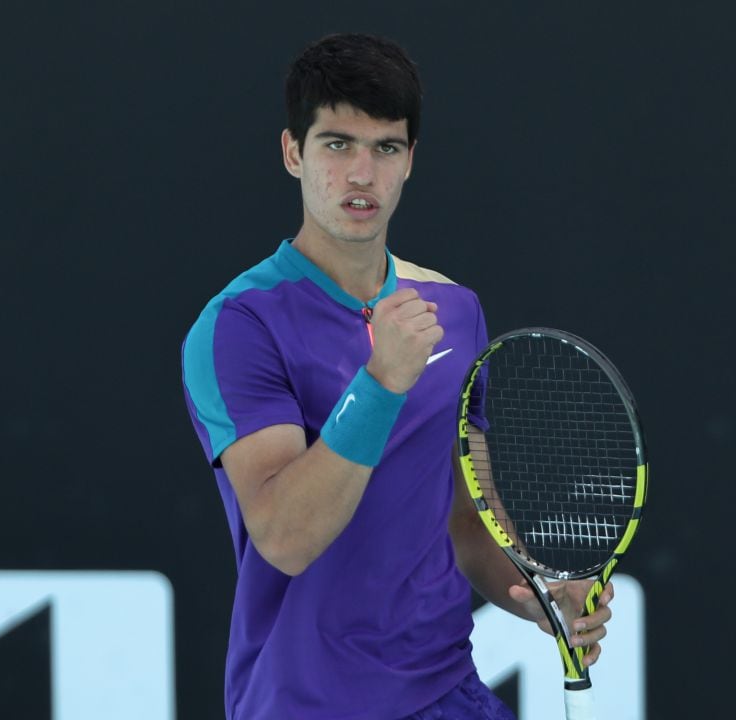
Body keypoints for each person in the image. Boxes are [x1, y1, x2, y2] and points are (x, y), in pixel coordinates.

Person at [181, 32, 615, 720]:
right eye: (336, 144)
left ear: (410, 161)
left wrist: (536, 590)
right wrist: (381, 384)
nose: (362, 174)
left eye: (385, 147)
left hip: (446, 695)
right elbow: (285, 538)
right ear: (293, 152)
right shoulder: (239, 326)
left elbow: (468, 515)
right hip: (304, 706)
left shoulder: (454, 311)